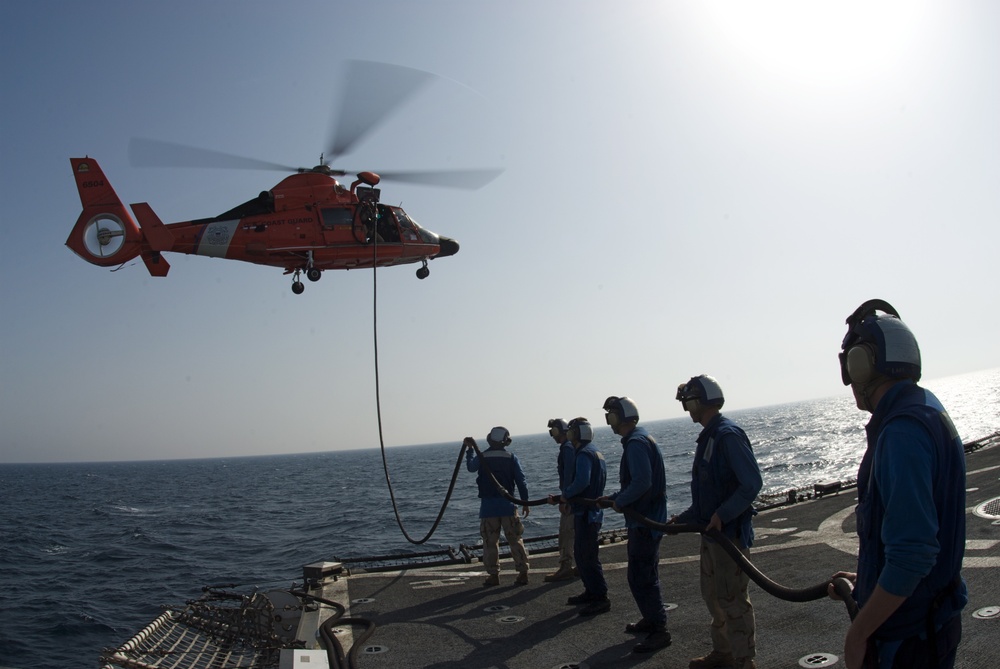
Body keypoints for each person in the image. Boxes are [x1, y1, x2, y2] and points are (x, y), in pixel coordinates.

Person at [829, 299, 967, 669]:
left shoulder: (900, 432)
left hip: (908, 639)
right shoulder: (926, 407)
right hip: (932, 623)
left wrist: (857, 636)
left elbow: (913, 554)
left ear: (861, 364)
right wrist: (871, 577)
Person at [672, 375, 762, 669]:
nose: (687, 409)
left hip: (729, 538)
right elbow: (707, 496)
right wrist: (682, 520)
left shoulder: (727, 435)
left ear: (698, 401)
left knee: (733, 600)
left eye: (688, 402)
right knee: (714, 597)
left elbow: (751, 484)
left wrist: (722, 516)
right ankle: (724, 652)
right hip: (711, 538)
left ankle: (743, 661)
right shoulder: (710, 436)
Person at [598, 396, 672, 654]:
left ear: (621, 417)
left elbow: (642, 483)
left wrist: (621, 502)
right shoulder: (640, 440)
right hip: (646, 519)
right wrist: (615, 499)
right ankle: (651, 620)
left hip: (646, 522)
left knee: (642, 576)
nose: (609, 422)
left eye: (611, 416)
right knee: (642, 574)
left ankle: (659, 629)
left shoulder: (636, 444)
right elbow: (637, 485)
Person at [464, 427, 531, 587]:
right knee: (515, 539)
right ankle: (523, 572)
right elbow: (521, 481)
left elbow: (471, 468)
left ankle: (493, 575)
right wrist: (525, 502)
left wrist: (470, 450)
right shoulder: (511, 457)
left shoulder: (483, 456)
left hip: (488, 508)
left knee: (489, 542)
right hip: (508, 505)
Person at [559, 417, 609, 615]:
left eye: (571, 431)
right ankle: (591, 591)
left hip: (586, 513)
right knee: (582, 554)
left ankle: (600, 596)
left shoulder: (583, 454)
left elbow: (582, 482)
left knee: (587, 556)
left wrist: (565, 495)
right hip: (590, 512)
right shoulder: (595, 451)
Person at [545, 418, 577, 582]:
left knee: (566, 534)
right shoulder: (571, 447)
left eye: (554, 431)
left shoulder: (567, 449)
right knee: (576, 534)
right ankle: (580, 566)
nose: (553, 435)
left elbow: (569, 475)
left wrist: (564, 500)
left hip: (570, 500)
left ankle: (566, 568)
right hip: (575, 498)